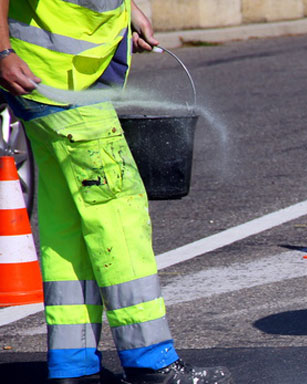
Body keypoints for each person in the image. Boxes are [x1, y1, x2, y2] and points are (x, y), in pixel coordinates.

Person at [0, 1, 232, 383]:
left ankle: (72, 363)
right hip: (61, 85)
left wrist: (128, 10)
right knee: (119, 214)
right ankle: (152, 361)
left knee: (69, 226)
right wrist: (2, 52)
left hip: (45, 84)